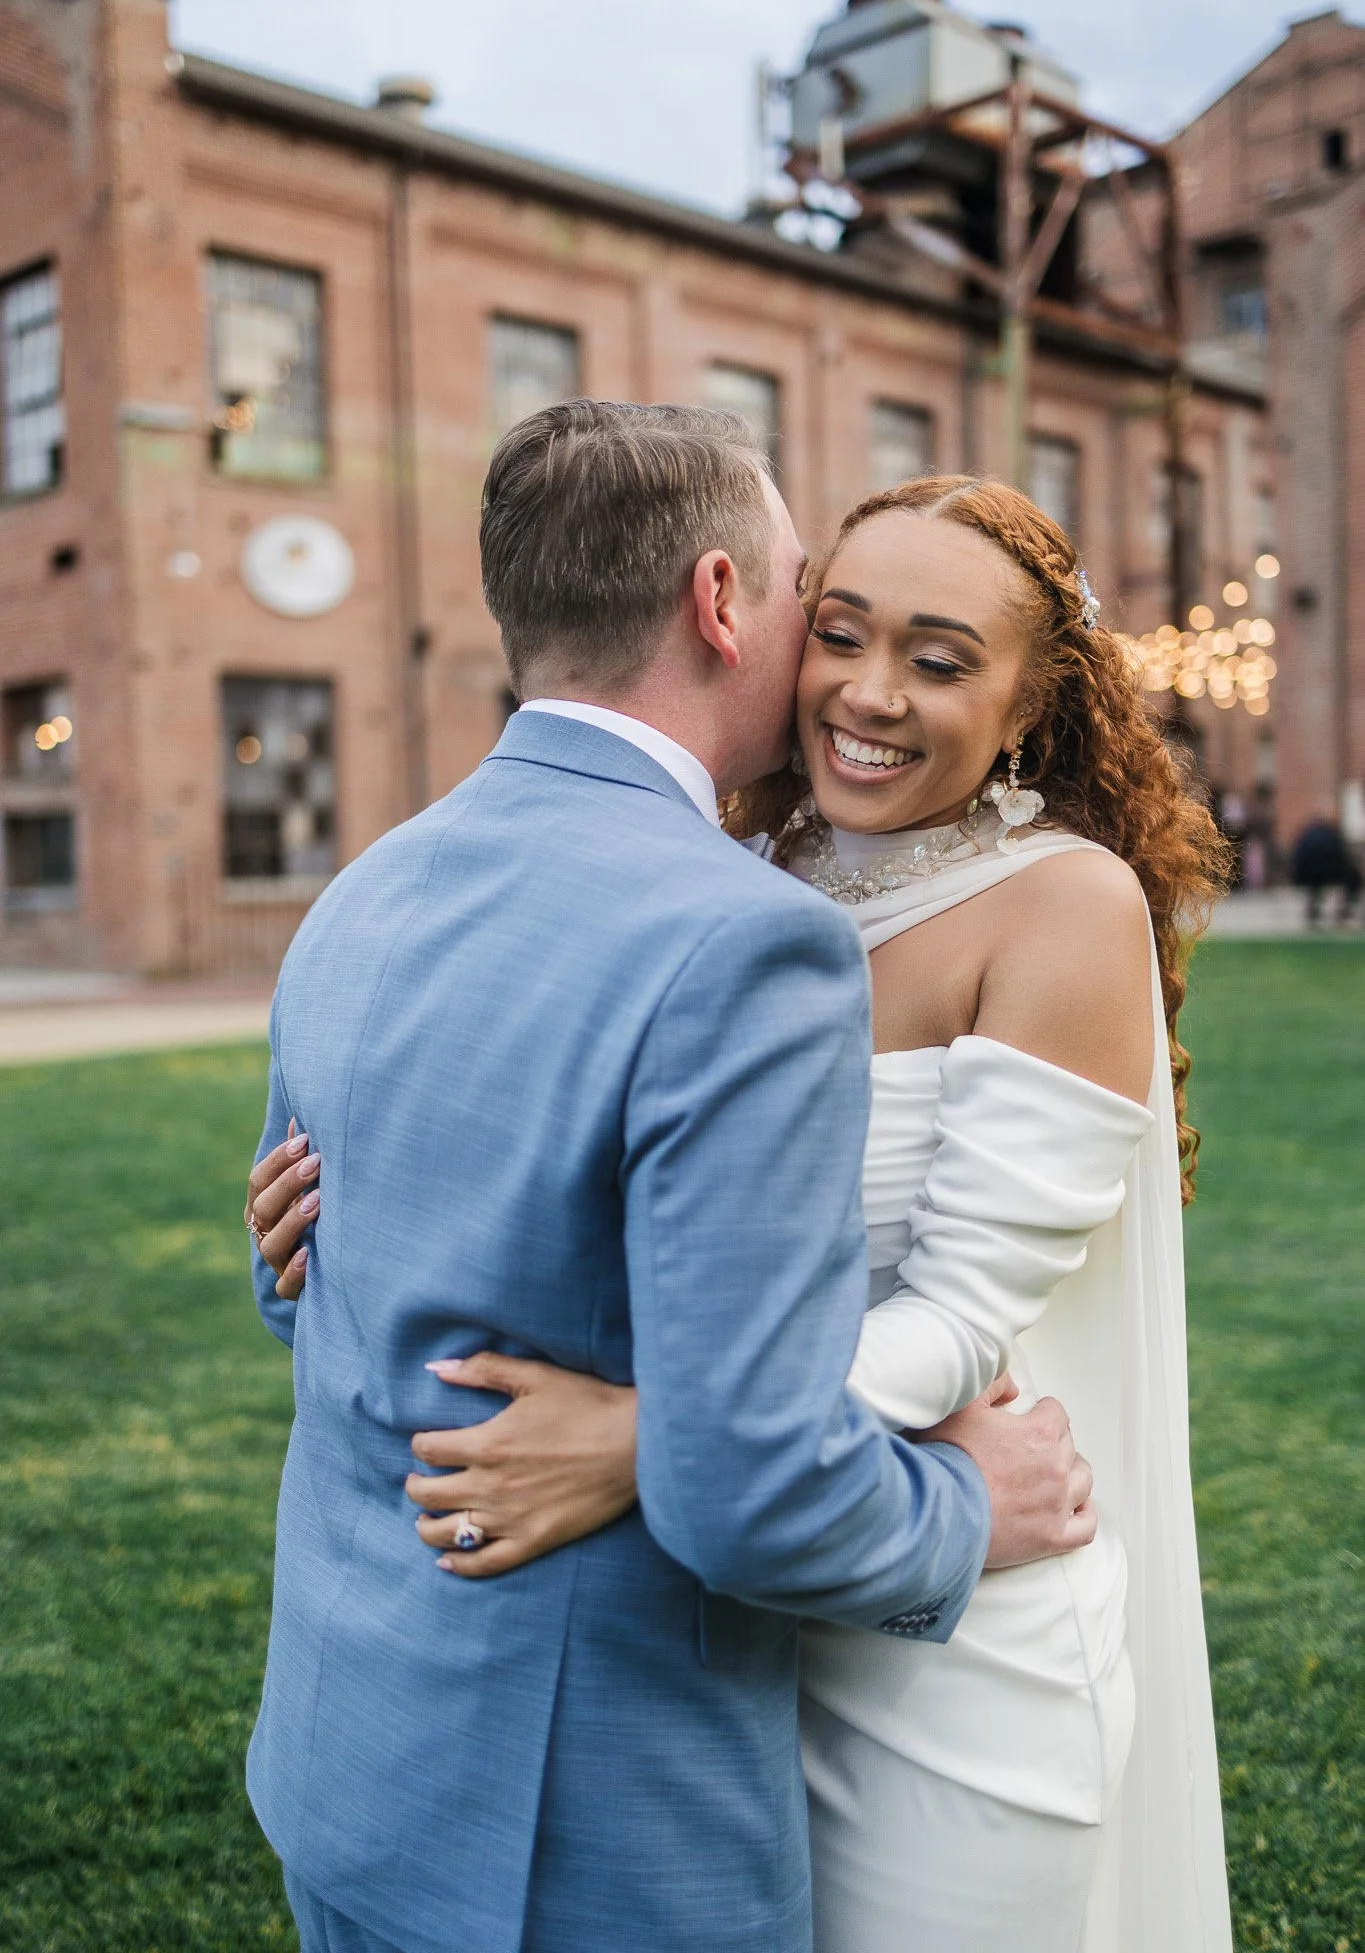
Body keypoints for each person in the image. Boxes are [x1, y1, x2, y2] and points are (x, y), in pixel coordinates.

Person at [252, 467, 1237, 1950]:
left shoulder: (1065, 905)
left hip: (946, 1621)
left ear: (1031, 702)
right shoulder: (737, 869)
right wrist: (330, 1225)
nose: (870, 691)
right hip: (731, 1629)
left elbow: (962, 1318)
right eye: (839, 631)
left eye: (940, 658)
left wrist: (649, 1442)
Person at [1290, 812, 1362, 926]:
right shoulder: (1331, 835)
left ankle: (1313, 906)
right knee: (1354, 877)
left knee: (1315, 878)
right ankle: (1346, 908)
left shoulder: (1307, 836)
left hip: (1308, 875)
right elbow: (1342, 856)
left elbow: (1296, 858)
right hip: (1327, 873)